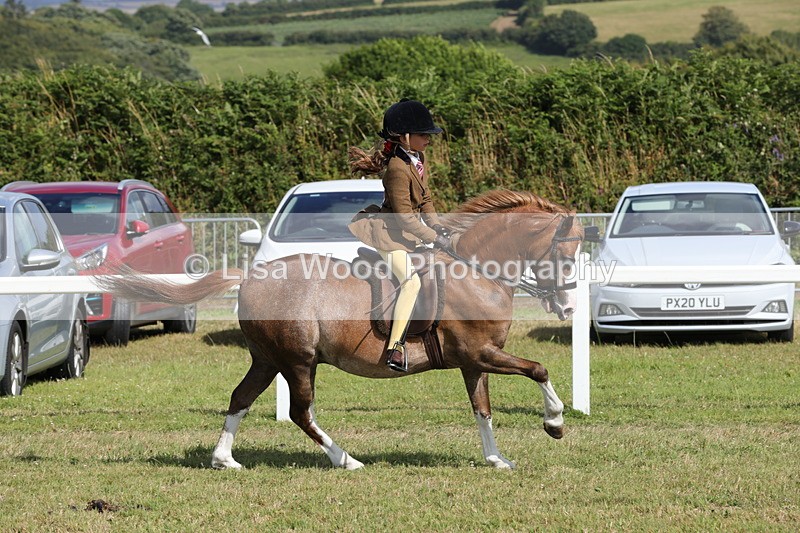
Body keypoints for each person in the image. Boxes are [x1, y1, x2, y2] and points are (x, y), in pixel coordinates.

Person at [348, 99, 452, 372]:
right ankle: (395, 348)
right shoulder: (396, 168)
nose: (428, 139)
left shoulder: (417, 159)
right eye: (423, 135)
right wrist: (433, 236)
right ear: (405, 137)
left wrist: (439, 226)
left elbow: (425, 199)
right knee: (411, 283)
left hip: (406, 236)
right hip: (389, 236)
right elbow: (404, 217)